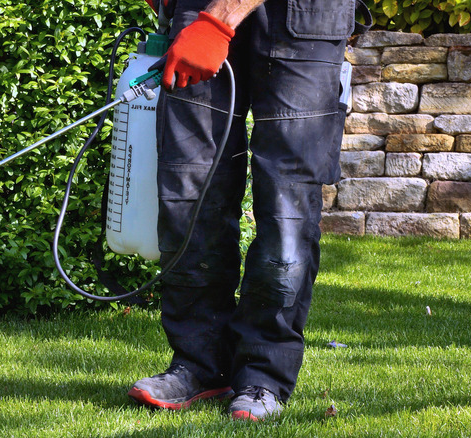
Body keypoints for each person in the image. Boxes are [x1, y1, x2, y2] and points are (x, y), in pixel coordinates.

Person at [128, 0, 364, 421]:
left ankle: (263, 375)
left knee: (286, 207)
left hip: (305, 20)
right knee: (190, 193)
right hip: (196, 14)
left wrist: (218, 22)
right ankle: (199, 364)